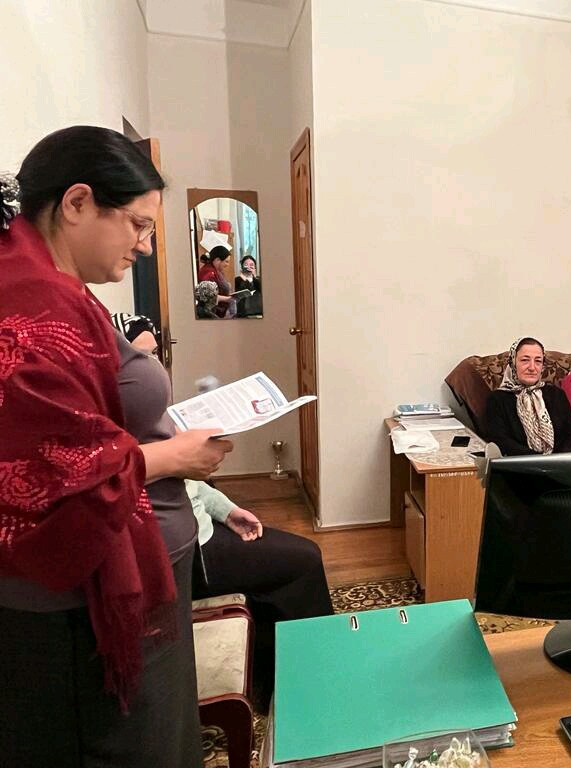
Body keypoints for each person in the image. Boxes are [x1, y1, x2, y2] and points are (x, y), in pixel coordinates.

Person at [0, 126, 232, 767]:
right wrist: (176, 457)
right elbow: (53, 472)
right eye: (137, 224)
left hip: (129, 563)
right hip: (74, 603)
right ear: (77, 203)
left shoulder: (58, 288)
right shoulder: (31, 305)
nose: (145, 245)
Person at [187, 479, 333, 709]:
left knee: (286, 560)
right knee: (306, 561)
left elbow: (190, 485)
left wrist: (226, 511)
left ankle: (272, 685)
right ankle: (314, 684)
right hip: (189, 553)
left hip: (200, 529)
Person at [484, 337, 571, 456]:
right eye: (525, 360)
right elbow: (500, 440)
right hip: (521, 464)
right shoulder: (497, 399)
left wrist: (559, 461)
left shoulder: (556, 394)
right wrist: (538, 461)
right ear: (512, 363)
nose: (532, 368)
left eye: (538, 361)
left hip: (560, 463)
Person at [196, 245, 235, 318]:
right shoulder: (208, 272)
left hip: (217, 312)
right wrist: (229, 299)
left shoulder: (216, 270)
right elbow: (209, 296)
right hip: (209, 313)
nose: (227, 264)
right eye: (226, 261)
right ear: (217, 260)